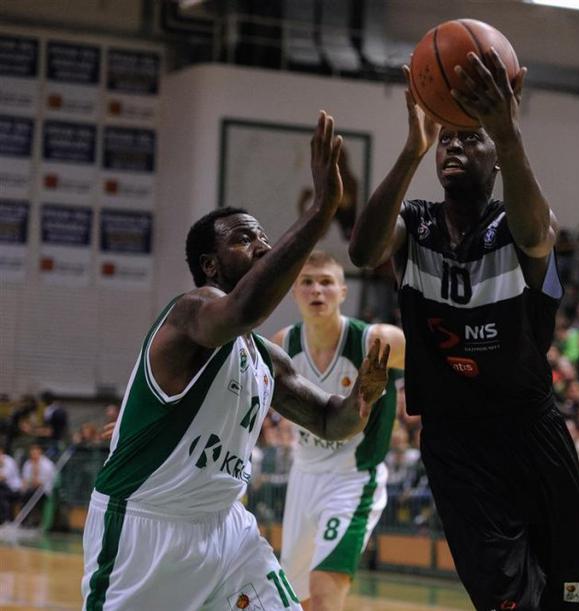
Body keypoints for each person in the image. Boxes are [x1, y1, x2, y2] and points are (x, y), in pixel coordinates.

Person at [81, 112, 391, 611]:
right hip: (147, 528)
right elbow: (244, 309)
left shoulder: (264, 356)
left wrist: (363, 396)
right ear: (210, 264)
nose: (262, 246)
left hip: (228, 530)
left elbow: (331, 422)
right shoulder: (190, 311)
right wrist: (321, 212)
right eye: (245, 239)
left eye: (263, 237)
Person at [348, 52, 579, 610]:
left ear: (497, 159)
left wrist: (509, 134)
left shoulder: (517, 223)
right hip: (455, 440)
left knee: (573, 600)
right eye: (447, 141)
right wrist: (412, 149)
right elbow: (363, 251)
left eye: (470, 138)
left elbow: (537, 235)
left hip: (531, 430)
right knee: (506, 601)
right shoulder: (416, 223)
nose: (454, 147)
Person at [270, 250, 405, 611]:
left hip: (352, 479)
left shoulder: (377, 340)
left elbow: (434, 364)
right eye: (307, 282)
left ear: (343, 292)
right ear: (294, 292)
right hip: (303, 477)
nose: (317, 290)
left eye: (326, 282)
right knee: (297, 600)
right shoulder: (282, 344)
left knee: (324, 591)